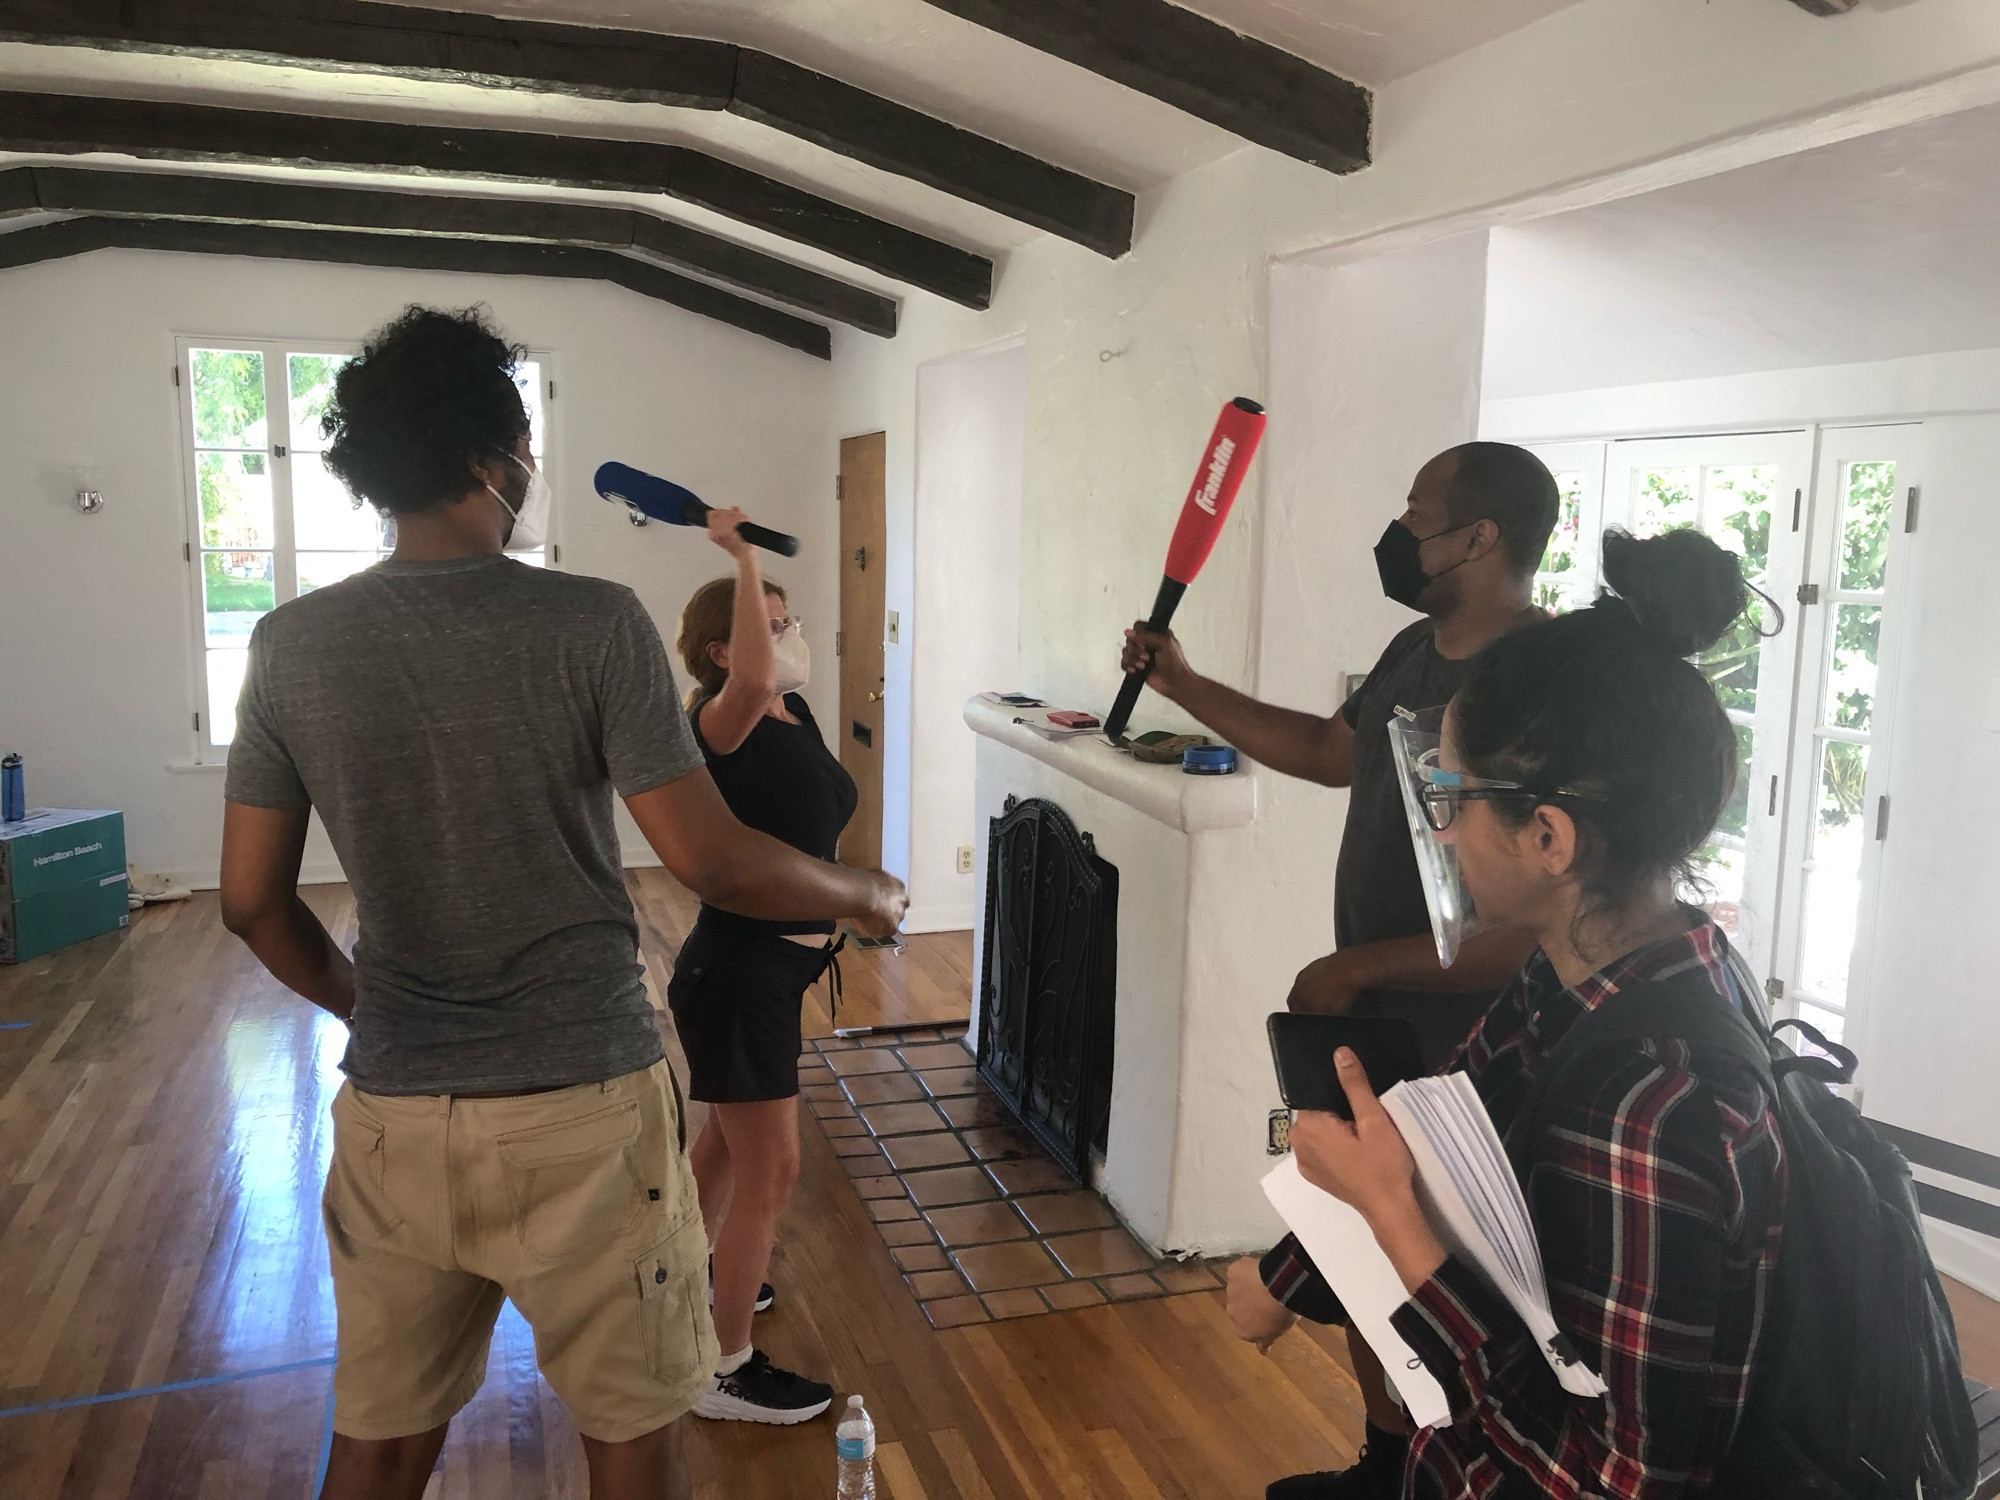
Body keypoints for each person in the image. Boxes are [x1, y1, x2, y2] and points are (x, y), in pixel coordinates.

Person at [217, 305, 906, 1500]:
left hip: (395, 1110)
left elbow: (246, 905)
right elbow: (714, 860)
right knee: (630, 1440)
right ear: (497, 458)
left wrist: (367, 1009)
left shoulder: (288, 644)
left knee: (375, 1450)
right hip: (582, 1105)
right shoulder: (589, 622)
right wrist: (863, 891)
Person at [1286, 528, 1785, 1499]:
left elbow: (1614, 1482)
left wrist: (1388, 1210)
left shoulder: (1647, 1101)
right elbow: (1445, 1125)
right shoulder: (1599, 969)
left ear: (1546, 837)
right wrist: (1282, 1278)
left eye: (1452, 795)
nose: (1440, 823)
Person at [1121, 442, 1558, 1498]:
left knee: (1433, 1259)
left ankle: (1449, 1465)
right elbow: (1328, 749)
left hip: (1464, 1037)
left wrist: (1357, 963)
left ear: (1477, 536)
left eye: (1416, 512)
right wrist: (1184, 683)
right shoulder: (1416, 645)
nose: (1399, 531)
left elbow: (1529, 922)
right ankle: (1389, 1459)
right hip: (1373, 1014)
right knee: (1363, 1248)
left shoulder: (1536, 681)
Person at [667, 517, 855, 1424]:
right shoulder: (719, 723)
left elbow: (808, 827)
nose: (788, 638)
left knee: (724, 1147)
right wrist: (741, 553)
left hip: (773, 974)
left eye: (787, 620)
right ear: (724, 647)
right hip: (738, 977)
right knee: (771, 1173)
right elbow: (748, 676)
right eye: (769, 625)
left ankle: (690, 1279)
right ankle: (722, 1369)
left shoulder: (796, 710)